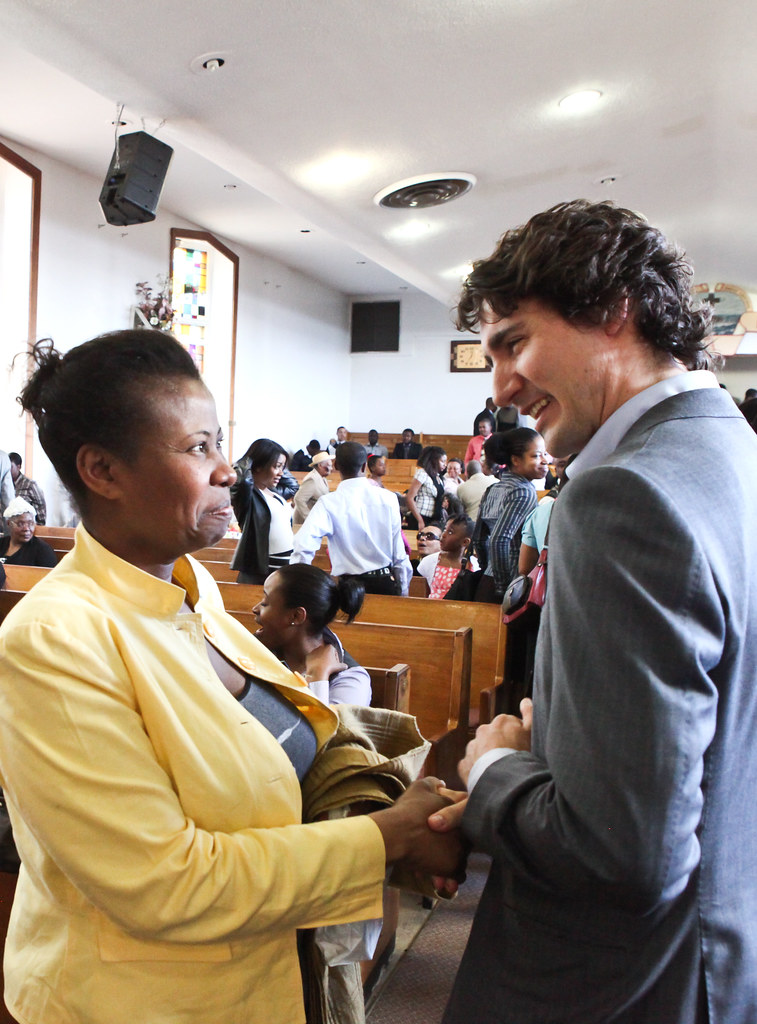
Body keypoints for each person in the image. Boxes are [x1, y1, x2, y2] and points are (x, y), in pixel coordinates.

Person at [0, 330, 462, 1024]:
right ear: (102, 471)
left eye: (220, 443)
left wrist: (390, 817)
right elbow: (165, 884)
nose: (227, 471)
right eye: (196, 448)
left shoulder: (192, 589)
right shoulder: (54, 638)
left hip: (267, 971)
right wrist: (386, 837)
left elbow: (271, 755)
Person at [429, 199, 757, 1024]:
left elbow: (619, 855)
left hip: (620, 982)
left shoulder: (625, 494)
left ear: (613, 311)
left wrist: (496, 767)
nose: (501, 385)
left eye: (514, 342)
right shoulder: (730, 452)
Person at [291, 441, 412, 596]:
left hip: (349, 588)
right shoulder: (389, 499)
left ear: (335, 466)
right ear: (364, 466)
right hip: (384, 582)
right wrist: (403, 591)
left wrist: (300, 586)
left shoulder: (328, 503)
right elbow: (399, 554)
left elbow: (302, 544)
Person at [253, 563, 371, 706]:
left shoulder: (351, 681)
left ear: (296, 616)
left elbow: (326, 728)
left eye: (265, 603)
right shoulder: (256, 650)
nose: (255, 609)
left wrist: (317, 676)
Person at [472, 429, 548, 602]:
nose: (545, 460)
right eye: (536, 456)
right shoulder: (523, 491)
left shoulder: (493, 488)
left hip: (488, 579)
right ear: (515, 460)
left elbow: (478, 538)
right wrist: (503, 586)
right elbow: (499, 539)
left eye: (544, 454)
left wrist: (487, 568)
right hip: (510, 584)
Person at [231, 438, 293, 584]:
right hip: (262, 569)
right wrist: (251, 458)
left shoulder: (275, 492)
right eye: (277, 466)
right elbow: (240, 480)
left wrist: (280, 465)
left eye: (283, 467)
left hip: (284, 567)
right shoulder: (247, 495)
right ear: (258, 465)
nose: (281, 473)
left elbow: (293, 486)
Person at [417, 514, 474, 600]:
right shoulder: (429, 561)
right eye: (444, 530)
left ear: (465, 542)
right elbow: (422, 593)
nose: (443, 535)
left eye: (450, 532)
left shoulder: (472, 565)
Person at [0, 497, 57, 567]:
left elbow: (49, 576)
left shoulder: (42, 550)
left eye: (31, 524)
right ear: (9, 524)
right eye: (20, 524)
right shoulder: (2, 543)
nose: (26, 529)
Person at [404, 446, 447, 531]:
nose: (445, 464)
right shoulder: (422, 473)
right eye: (442, 461)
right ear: (434, 460)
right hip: (421, 517)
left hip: (434, 518)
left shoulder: (439, 477)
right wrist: (420, 520)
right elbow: (410, 498)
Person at [292, 451, 332, 525]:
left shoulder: (323, 478)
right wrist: (309, 518)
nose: (331, 468)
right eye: (329, 465)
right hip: (304, 523)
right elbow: (298, 499)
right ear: (320, 466)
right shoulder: (312, 479)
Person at [8, 452, 47, 524]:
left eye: (10, 467)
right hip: (6, 529)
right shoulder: (4, 484)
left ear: (18, 467)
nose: (7, 470)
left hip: (26, 529)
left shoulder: (30, 485)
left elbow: (41, 513)